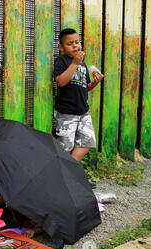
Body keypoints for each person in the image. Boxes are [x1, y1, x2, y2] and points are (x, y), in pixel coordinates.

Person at [53, 28, 104, 163]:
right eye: (70, 44)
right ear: (61, 47)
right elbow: (61, 82)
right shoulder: (61, 61)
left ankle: (70, 168)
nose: (75, 45)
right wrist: (75, 63)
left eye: (77, 42)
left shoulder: (83, 65)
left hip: (83, 111)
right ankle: (63, 173)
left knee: (88, 141)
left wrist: (94, 84)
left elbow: (84, 87)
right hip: (66, 113)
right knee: (65, 147)